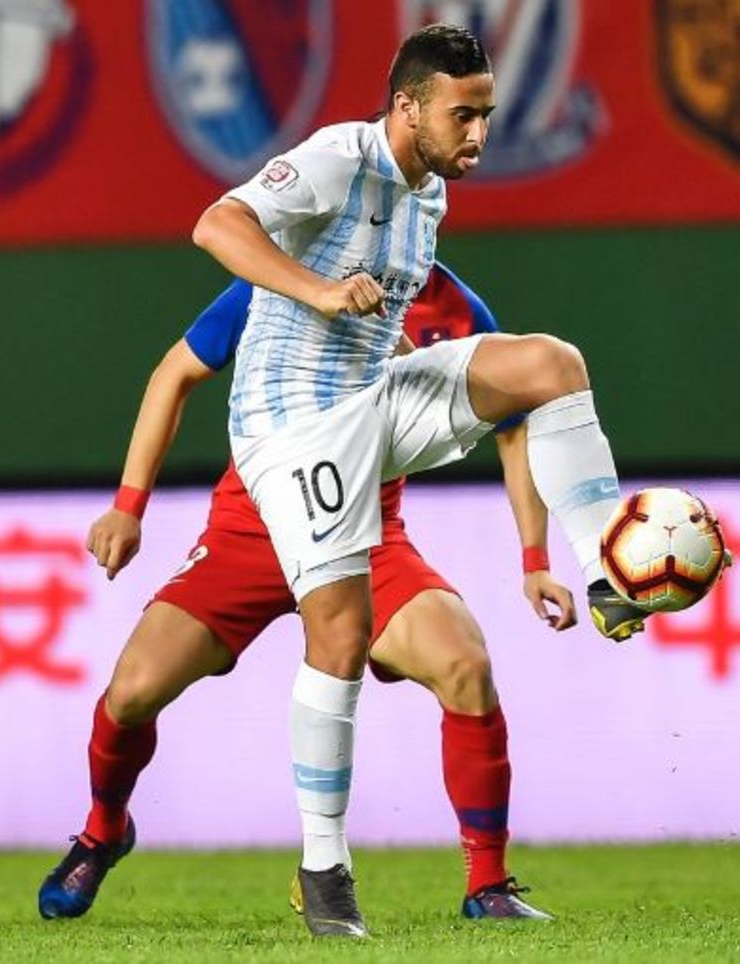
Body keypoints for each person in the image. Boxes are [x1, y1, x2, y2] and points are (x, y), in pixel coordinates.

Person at [192, 22, 643, 937]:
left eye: (487, 114)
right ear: (406, 107)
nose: (479, 134)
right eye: (462, 115)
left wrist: (378, 336)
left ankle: (611, 570)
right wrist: (318, 292)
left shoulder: (427, 191)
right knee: (342, 632)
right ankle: (325, 869)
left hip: (372, 398)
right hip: (292, 428)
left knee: (550, 364)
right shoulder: (337, 157)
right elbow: (216, 224)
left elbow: (382, 303)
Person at [38, 263, 574, 932]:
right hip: (251, 528)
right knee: (132, 692)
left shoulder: (458, 311)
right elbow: (174, 372)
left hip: (367, 534)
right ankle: (104, 830)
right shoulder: (279, 279)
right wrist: (128, 505)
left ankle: (487, 883)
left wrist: (535, 560)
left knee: (465, 666)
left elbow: (513, 429)